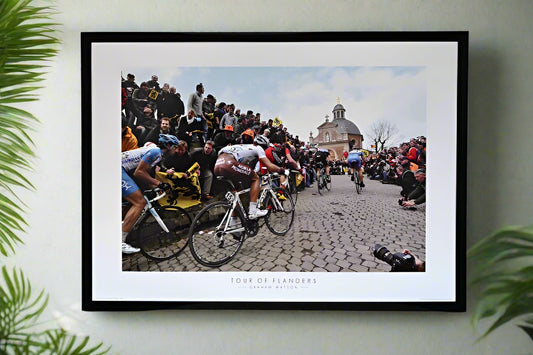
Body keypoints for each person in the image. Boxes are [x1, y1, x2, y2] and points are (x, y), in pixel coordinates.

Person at [121, 134, 178, 254]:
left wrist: (155, 186)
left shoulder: (153, 149)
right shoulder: (156, 152)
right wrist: (159, 184)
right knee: (139, 202)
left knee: (134, 200)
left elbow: (143, 176)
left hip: (122, 169)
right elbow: (139, 173)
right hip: (118, 169)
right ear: (168, 145)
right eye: (175, 147)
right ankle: (120, 241)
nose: (176, 150)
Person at [214, 131, 285, 219]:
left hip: (217, 165)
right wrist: (281, 170)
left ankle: (233, 222)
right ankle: (253, 211)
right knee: (255, 178)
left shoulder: (241, 147)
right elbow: (269, 166)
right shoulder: (258, 148)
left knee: (238, 194)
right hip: (229, 163)